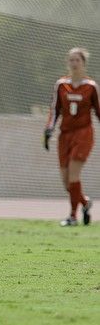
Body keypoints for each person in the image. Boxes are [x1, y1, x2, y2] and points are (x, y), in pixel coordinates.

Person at [44, 47, 98, 227]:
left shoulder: (90, 87)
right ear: (67, 63)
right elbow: (55, 110)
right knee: (67, 183)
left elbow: (99, 111)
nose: (74, 63)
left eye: (78, 60)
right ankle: (85, 202)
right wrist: (49, 129)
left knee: (74, 175)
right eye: (71, 60)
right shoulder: (61, 85)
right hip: (64, 135)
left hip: (83, 134)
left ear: (84, 63)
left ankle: (73, 217)